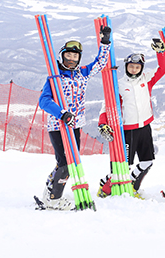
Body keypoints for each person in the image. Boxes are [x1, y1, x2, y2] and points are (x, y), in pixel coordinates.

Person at [38, 26, 111, 210]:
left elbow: (100, 64)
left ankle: (51, 184)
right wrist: (62, 113)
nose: (71, 59)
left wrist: (105, 43)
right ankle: (54, 198)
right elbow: (44, 101)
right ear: (62, 56)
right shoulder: (55, 77)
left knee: (70, 160)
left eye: (75, 56)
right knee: (66, 163)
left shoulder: (82, 73)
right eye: (68, 56)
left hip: (76, 124)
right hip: (58, 124)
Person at [97, 38, 165, 198]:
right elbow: (106, 106)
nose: (134, 69)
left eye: (137, 67)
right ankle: (106, 188)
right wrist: (102, 123)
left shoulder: (146, 79)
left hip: (144, 127)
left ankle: (133, 187)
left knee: (147, 162)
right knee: (123, 167)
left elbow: (163, 69)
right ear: (126, 67)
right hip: (128, 130)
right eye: (131, 66)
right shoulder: (118, 84)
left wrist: (161, 52)